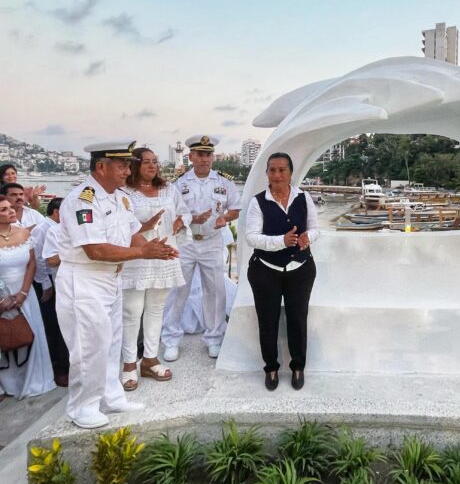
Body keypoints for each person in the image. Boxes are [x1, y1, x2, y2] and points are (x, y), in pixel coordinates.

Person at [56, 141, 179, 429]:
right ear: (101, 166)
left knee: (111, 342)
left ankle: (111, 395)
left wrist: (154, 249)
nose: (128, 171)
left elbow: (134, 232)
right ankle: (81, 407)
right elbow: (96, 250)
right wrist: (143, 252)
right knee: (89, 346)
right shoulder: (82, 200)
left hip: (111, 279)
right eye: (122, 165)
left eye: (128, 165)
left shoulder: (120, 198)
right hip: (84, 280)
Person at [161, 135, 240, 361]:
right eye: (200, 155)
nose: (205, 159)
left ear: (213, 157)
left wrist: (224, 218)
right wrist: (191, 219)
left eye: (208, 155)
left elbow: (235, 208)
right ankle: (171, 339)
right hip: (186, 242)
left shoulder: (224, 183)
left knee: (215, 292)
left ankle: (214, 338)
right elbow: (172, 214)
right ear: (191, 157)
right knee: (178, 291)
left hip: (213, 241)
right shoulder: (179, 184)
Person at [245, 152, 319, 391]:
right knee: (268, 321)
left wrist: (309, 237)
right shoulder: (258, 202)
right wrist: (282, 241)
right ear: (266, 173)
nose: (277, 175)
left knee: (298, 318)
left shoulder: (304, 197)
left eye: (282, 170)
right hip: (266, 270)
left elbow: (316, 228)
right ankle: (272, 368)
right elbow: (251, 237)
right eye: (272, 170)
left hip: (300, 268)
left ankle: (298, 367)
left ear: (290, 172)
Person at [120, 147, 189, 391]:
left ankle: (150, 359)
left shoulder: (169, 189)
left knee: (156, 308)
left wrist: (182, 221)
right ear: (135, 165)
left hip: (164, 254)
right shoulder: (124, 192)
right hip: (137, 256)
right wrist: (143, 227)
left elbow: (184, 212)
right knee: (131, 311)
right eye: (146, 162)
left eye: (155, 161)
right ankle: (129, 363)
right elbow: (119, 227)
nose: (152, 166)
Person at [0, 195, 56, 399]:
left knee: (29, 334)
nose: (11, 211)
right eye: (4, 210)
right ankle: (7, 383)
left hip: (24, 293)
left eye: (10, 208)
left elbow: (32, 263)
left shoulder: (23, 233)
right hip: (2, 296)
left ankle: (33, 379)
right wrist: (2, 298)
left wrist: (23, 292)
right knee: (6, 336)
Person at [30, 197, 69, 387]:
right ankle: (58, 367)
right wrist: (46, 284)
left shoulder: (62, 228)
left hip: (60, 281)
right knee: (54, 327)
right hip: (48, 282)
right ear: (56, 212)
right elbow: (39, 259)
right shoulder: (44, 229)